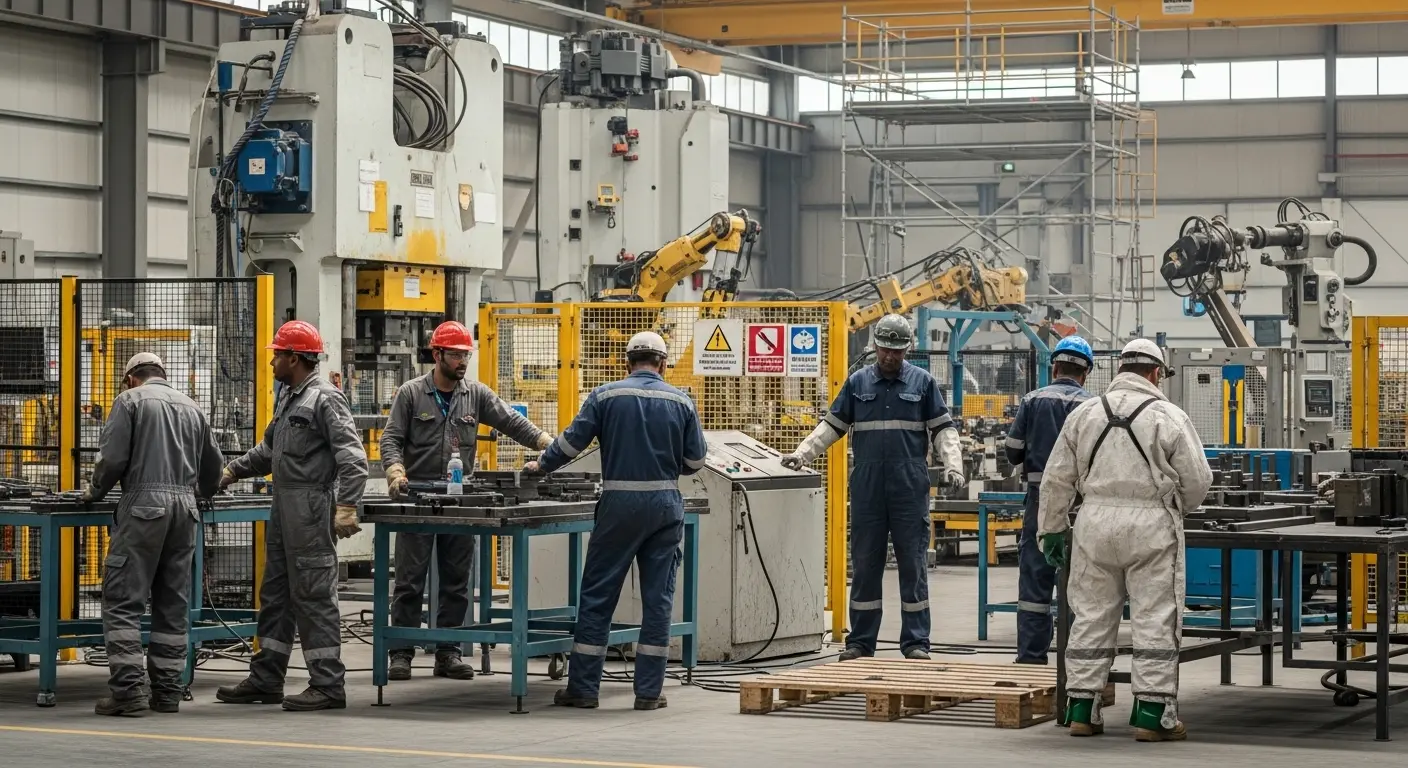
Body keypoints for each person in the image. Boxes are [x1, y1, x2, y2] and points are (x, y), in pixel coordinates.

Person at [1038, 338, 1212, 742]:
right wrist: (1173, 508)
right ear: (1155, 373)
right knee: (1154, 617)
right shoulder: (1168, 416)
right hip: (1151, 526)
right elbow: (1199, 481)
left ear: (1119, 371)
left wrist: (1051, 530)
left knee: (1091, 616)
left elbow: (1056, 480)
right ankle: (1153, 717)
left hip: (1093, 525)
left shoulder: (1084, 414)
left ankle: (1082, 709)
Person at [525, 331, 705, 711]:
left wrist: (540, 465)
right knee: (658, 601)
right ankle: (649, 692)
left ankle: (585, 690)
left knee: (598, 594)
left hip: (619, 506)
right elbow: (695, 463)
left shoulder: (605, 395)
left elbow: (571, 444)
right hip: (665, 507)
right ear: (663, 364)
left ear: (627, 362)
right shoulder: (682, 400)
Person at [780, 313, 963, 662]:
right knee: (865, 565)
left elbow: (944, 431)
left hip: (909, 488)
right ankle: (861, 642)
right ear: (875, 346)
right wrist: (803, 454)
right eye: (884, 349)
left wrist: (953, 466)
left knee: (913, 565)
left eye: (896, 351)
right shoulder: (857, 382)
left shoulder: (923, 384)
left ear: (907, 348)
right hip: (867, 489)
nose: (890, 357)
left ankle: (916, 643)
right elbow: (832, 426)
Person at [380, 320, 553, 681]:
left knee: (458, 579)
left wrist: (546, 443)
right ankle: (401, 652)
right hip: (418, 498)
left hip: (461, 499)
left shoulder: (476, 394)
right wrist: (396, 471)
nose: (463, 362)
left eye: (466, 355)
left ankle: (448, 651)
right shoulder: (411, 394)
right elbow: (391, 439)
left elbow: (511, 422)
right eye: (456, 355)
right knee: (410, 579)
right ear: (437, 354)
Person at [214, 320, 370, 712]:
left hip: (311, 510)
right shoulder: (289, 398)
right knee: (276, 596)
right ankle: (266, 677)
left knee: (314, 595)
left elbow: (354, 460)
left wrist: (346, 506)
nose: (272, 362)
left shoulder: (325, 399)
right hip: (283, 508)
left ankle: (328, 684)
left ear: (296, 358)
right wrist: (231, 471)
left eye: (278, 355)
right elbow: (268, 451)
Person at [84, 353, 226, 716]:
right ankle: (166, 693)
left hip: (144, 507)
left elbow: (113, 459)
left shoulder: (129, 401)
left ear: (131, 378)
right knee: (173, 604)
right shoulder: (193, 407)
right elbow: (214, 470)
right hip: (185, 511)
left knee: (122, 600)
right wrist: (198, 494)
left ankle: (128, 693)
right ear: (162, 374)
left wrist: (94, 491)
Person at [1004, 336, 1095, 666]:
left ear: (1054, 366)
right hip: (1083, 507)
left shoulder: (1032, 401)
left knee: (1035, 581)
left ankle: (1031, 658)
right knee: (1081, 583)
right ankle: (1076, 662)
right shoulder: (1093, 407)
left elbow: (1012, 453)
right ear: (1086, 374)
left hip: (1040, 504)